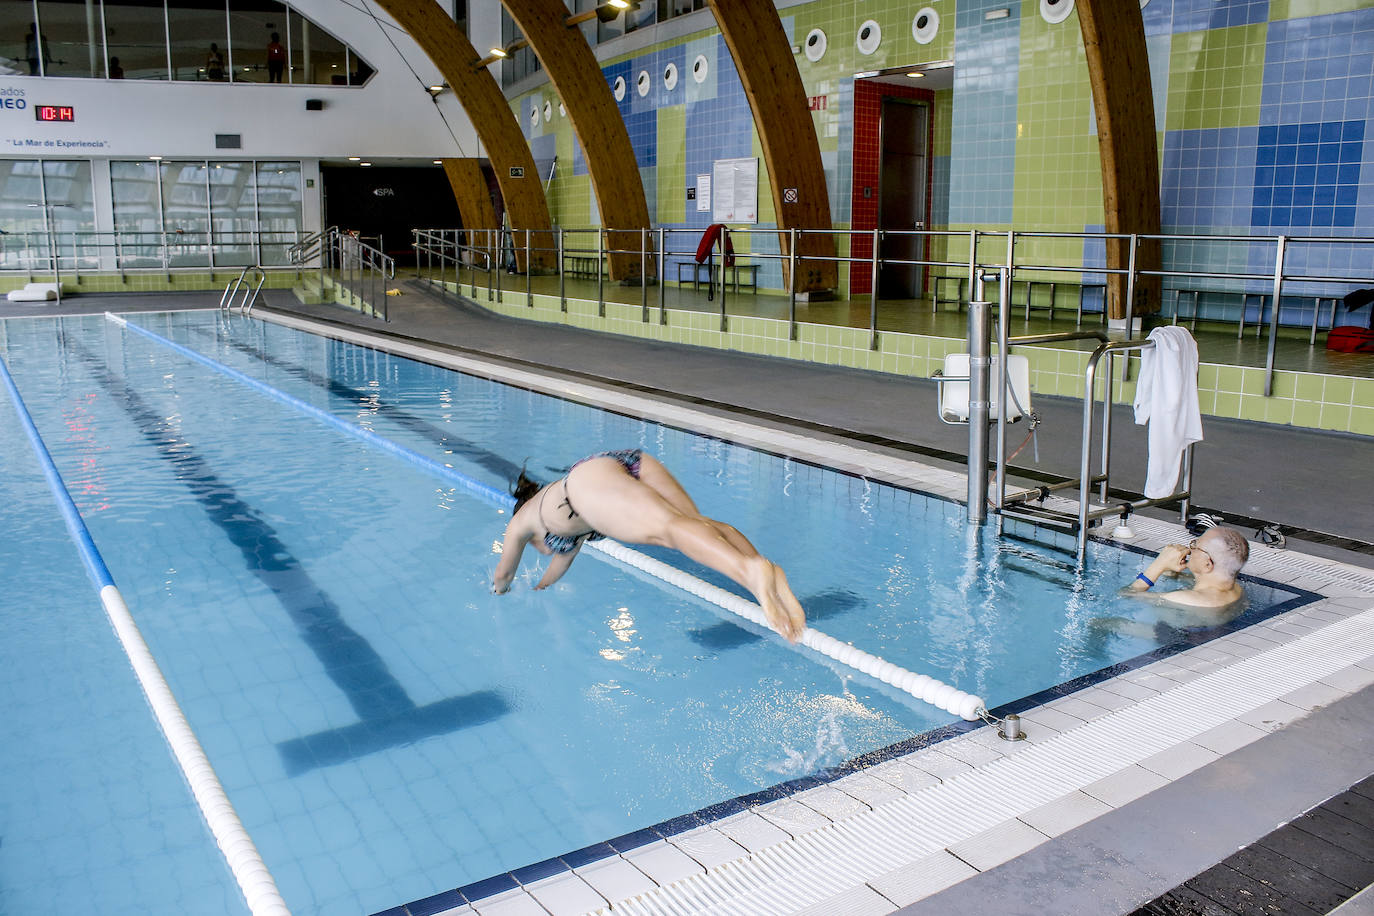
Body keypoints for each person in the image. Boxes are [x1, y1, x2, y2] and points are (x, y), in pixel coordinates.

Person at [491, 449, 807, 643]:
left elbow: (504, 574)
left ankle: (752, 571)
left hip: (586, 483)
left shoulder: (521, 524)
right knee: (697, 526)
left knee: (667, 532)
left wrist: (498, 595)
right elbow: (562, 562)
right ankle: (764, 573)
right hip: (623, 462)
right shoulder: (559, 520)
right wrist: (539, 588)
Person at [1125, 526, 1249, 609]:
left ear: (1207, 564)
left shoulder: (1185, 598)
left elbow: (1126, 596)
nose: (1190, 550)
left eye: (1195, 546)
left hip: (1172, 637)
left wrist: (1159, 564)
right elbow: (1190, 580)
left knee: (1113, 623)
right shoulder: (1236, 590)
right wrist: (1170, 570)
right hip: (1197, 631)